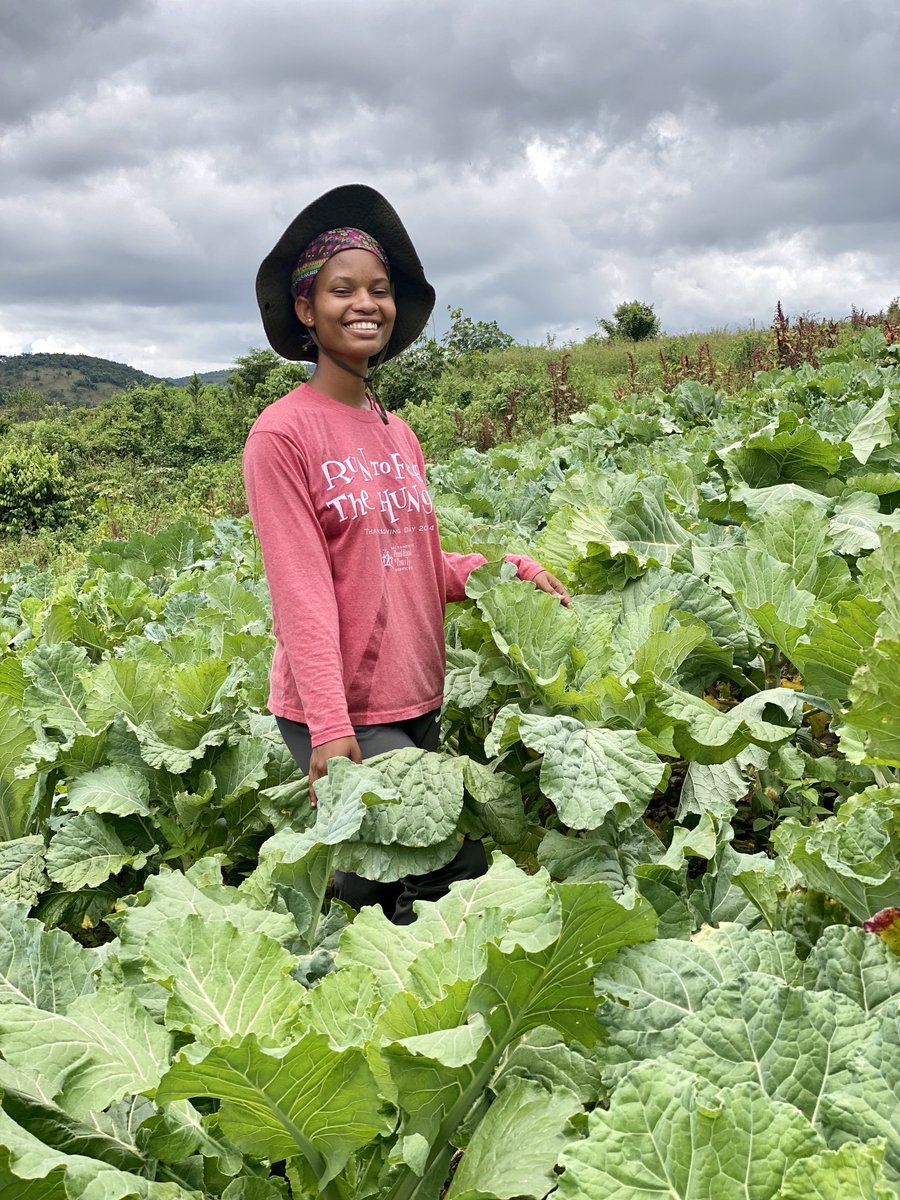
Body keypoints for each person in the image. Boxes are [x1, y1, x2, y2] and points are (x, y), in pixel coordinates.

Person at [244, 184, 570, 923]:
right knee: (455, 869)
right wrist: (329, 728)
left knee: (375, 884)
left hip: (416, 694)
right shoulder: (282, 434)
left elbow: (413, 561)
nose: (366, 303)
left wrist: (505, 569)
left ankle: (336, 991)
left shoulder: (398, 431)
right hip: (344, 709)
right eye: (342, 289)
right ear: (306, 310)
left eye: (380, 290)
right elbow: (302, 592)